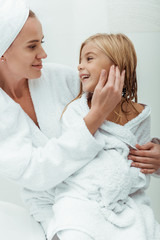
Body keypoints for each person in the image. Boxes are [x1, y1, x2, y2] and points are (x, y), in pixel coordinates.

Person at [0, 0, 159, 239]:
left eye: (41, 42)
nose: (43, 54)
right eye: (32, 46)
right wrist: (95, 116)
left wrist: (153, 152)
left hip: (113, 198)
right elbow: (36, 172)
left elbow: (122, 122)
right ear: (3, 52)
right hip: (57, 209)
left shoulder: (58, 77)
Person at [41, 33, 159, 240]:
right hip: (82, 198)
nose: (79, 66)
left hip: (123, 201)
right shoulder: (76, 111)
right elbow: (71, 156)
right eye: (80, 60)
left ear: (116, 65)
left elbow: (140, 166)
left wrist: (132, 178)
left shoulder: (139, 114)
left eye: (89, 58)